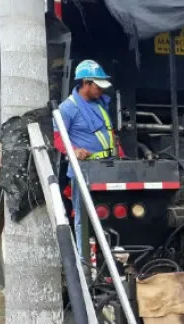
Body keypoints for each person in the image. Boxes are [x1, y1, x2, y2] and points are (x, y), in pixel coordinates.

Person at [53, 59, 125, 256]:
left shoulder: (100, 103)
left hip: (108, 168)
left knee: (111, 216)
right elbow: (57, 138)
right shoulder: (68, 108)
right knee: (82, 219)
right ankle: (84, 263)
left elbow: (108, 133)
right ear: (85, 83)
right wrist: (74, 151)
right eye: (98, 85)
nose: (101, 90)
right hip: (84, 171)